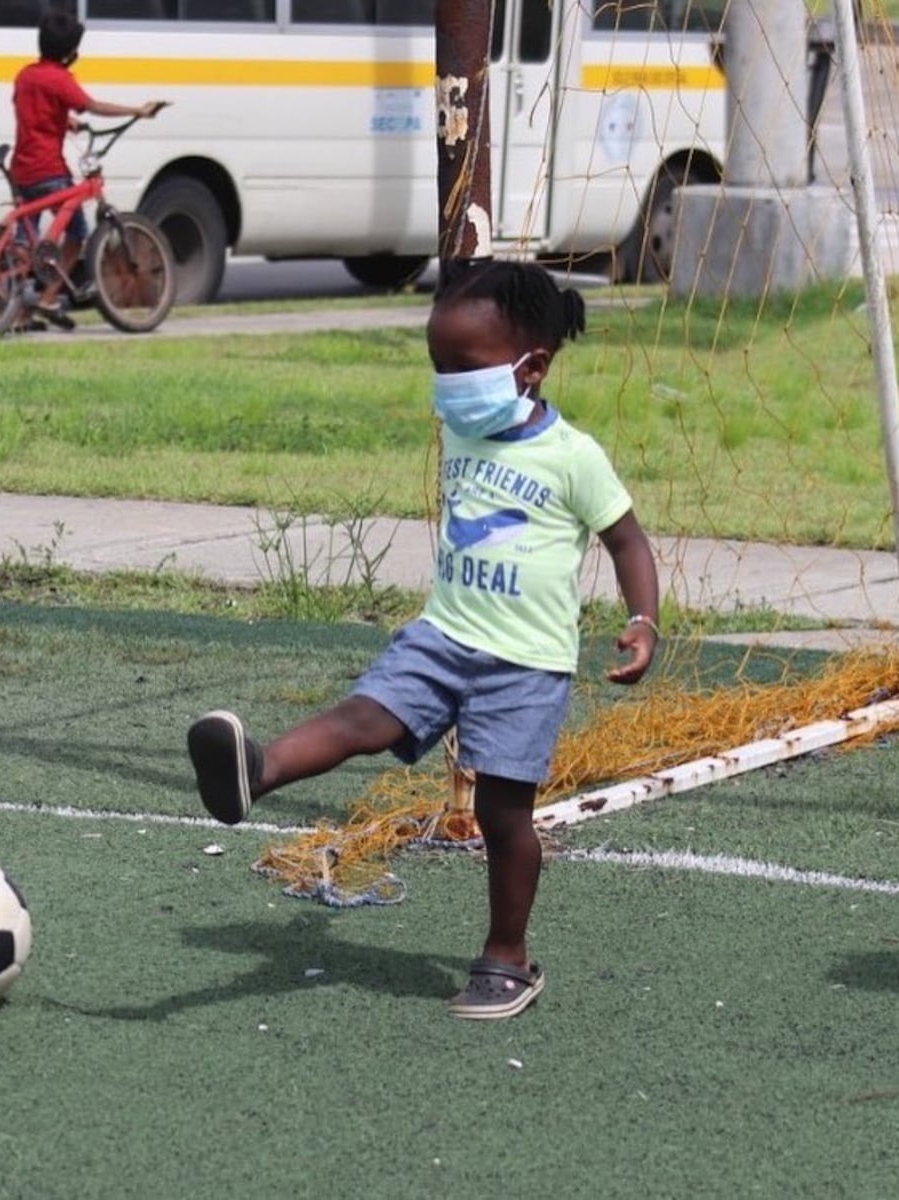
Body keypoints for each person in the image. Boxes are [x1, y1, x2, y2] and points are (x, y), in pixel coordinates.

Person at [186, 259, 661, 1020]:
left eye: (462, 368)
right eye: (437, 367)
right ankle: (256, 770)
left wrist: (642, 621)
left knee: (505, 818)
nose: (447, 386)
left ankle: (508, 958)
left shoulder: (574, 456)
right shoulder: (465, 424)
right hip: (442, 635)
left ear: (531, 368)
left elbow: (628, 543)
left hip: (524, 667)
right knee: (360, 719)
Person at [10, 12, 168, 330]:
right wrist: (137, 110)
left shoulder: (25, 75)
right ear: (71, 54)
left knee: (26, 242)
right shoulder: (60, 78)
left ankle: (18, 314)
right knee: (78, 233)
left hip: (21, 170)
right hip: (49, 172)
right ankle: (47, 298)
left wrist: (64, 121)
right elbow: (93, 106)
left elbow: (31, 110)